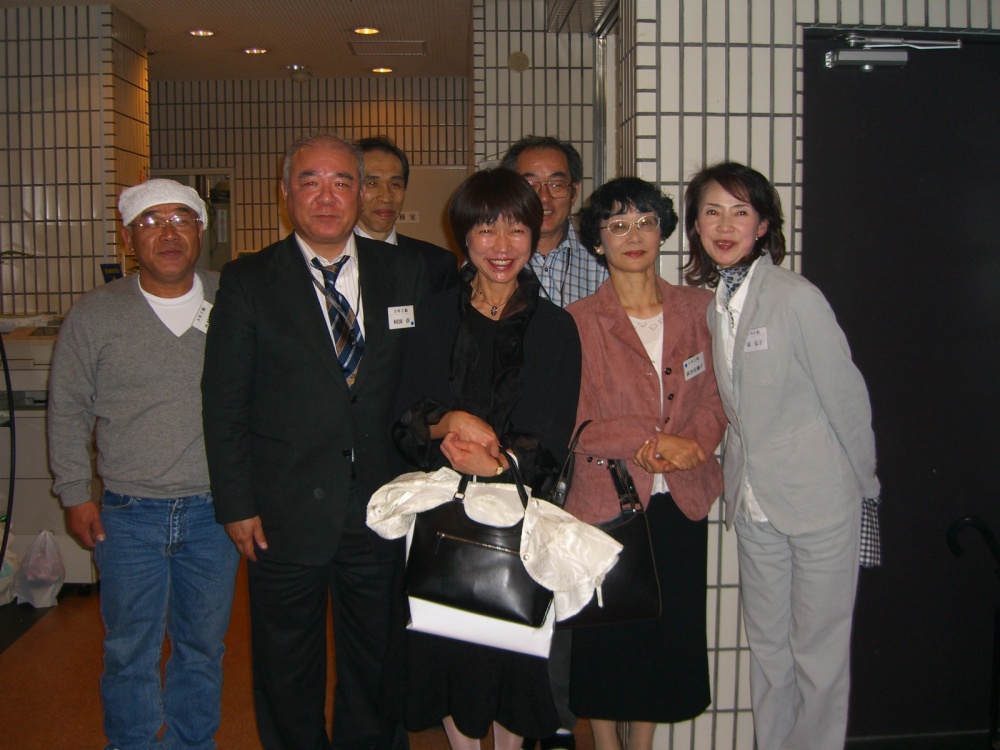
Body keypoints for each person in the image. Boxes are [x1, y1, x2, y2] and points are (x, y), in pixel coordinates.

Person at [202, 133, 429, 750]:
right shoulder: (249, 279)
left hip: (381, 505)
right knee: (286, 664)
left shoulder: (404, 271)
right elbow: (224, 402)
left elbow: (423, 385)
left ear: (360, 193)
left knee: (377, 661)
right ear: (286, 193)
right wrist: (236, 502)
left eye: (342, 182)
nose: (327, 197)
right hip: (282, 510)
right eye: (311, 182)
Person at [684, 161, 880, 750]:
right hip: (753, 503)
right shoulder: (716, 304)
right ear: (695, 225)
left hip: (819, 500)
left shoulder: (796, 298)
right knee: (769, 648)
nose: (725, 226)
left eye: (740, 212)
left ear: (763, 225)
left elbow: (847, 399)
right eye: (712, 212)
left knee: (818, 653)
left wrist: (867, 487)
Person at [392, 167, 582, 750]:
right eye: (486, 229)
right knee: (447, 650)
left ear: (534, 235)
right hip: (440, 519)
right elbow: (406, 415)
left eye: (516, 229)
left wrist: (497, 465)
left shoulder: (555, 326)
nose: (502, 245)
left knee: (512, 657)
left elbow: (551, 431)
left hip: (518, 520)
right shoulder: (433, 313)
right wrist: (448, 422)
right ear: (464, 236)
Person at [48, 179, 241, 750]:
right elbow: (68, 409)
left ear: (201, 230)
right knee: (128, 649)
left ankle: (191, 743)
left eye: (181, 219)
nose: (168, 233)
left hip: (215, 513)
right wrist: (74, 493)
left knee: (202, 647)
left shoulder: (233, 300)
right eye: (151, 222)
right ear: (128, 238)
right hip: (128, 514)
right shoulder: (94, 315)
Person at [562, 177, 726, 750]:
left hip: (680, 498)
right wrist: (654, 441)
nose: (633, 236)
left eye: (646, 222)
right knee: (607, 636)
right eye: (617, 225)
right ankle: (607, 743)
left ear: (663, 231)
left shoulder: (699, 309)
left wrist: (693, 444)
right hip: (604, 502)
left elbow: (718, 397)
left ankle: (644, 744)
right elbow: (574, 423)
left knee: (665, 632)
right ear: (597, 240)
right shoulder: (576, 321)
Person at [501, 136, 607, 308]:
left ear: (574, 192)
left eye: (556, 185)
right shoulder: (489, 254)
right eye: (530, 185)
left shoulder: (601, 256)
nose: (544, 197)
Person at [356, 135, 459, 291]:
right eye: (372, 183)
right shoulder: (332, 261)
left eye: (395, 184)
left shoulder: (437, 264)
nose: (386, 197)